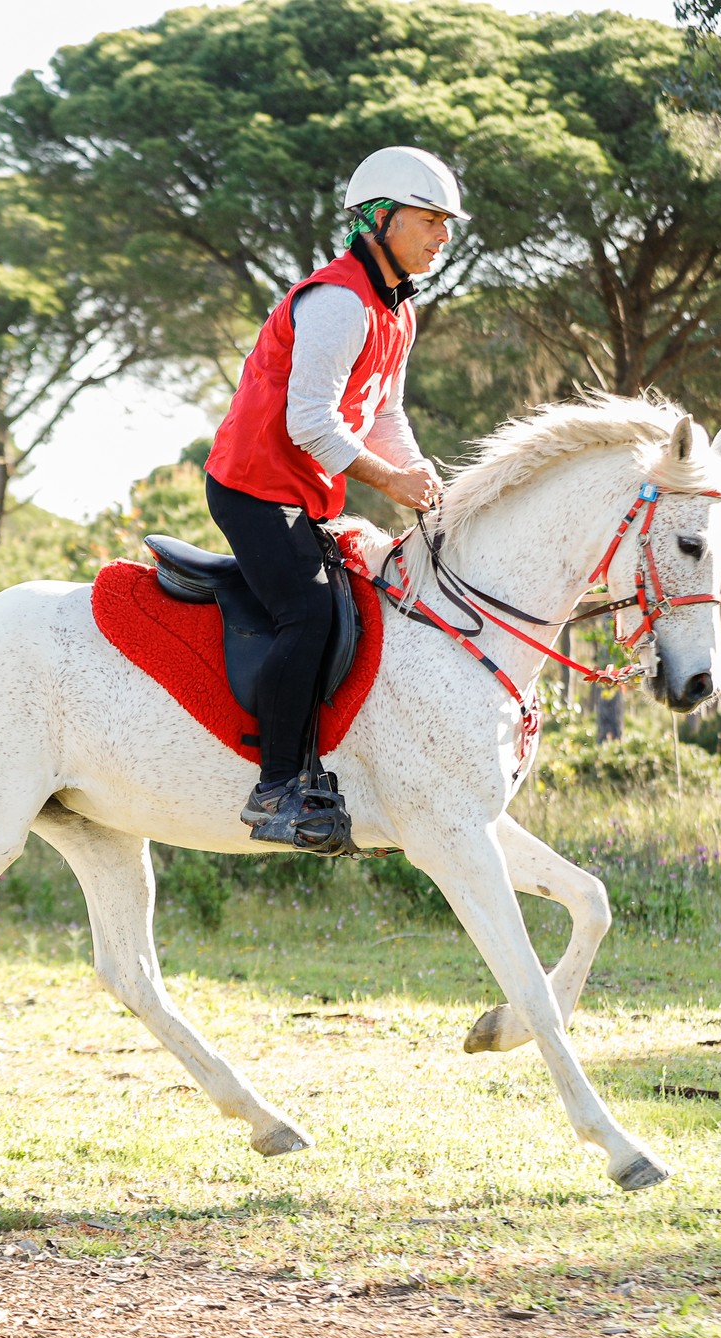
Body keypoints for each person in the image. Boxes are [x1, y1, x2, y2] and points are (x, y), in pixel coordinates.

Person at [203, 146, 463, 851]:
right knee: (311, 611)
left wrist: (421, 478)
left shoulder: (399, 314)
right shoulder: (339, 303)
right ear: (380, 219)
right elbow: (309, 422)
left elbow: (385, 414)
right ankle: (277, 789)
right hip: (252, 489)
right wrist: (390, 481)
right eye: (431, 220)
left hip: (305, 493)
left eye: (449, 224)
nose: (444, 236)